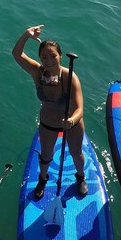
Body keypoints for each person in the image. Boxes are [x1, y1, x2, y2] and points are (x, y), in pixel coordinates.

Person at [12, 25, 88, 199]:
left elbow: (79, 108)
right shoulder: (37, 72)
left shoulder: (70, 76)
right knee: (46, 155)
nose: (48, 60)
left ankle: (80, 177)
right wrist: (26, 35)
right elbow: (17, 54)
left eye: (53, 55)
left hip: (72, 123)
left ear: (60, 56)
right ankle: (42, 179)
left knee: (77, 153)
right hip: (48, 123)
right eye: (44, 56)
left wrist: (72, 120)